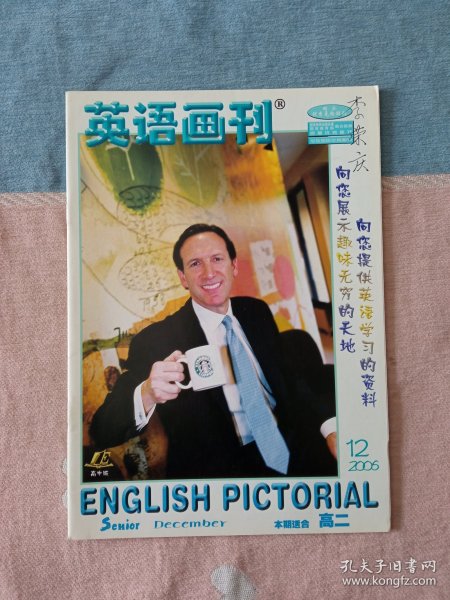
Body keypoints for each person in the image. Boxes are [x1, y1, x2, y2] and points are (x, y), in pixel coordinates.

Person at [90, 224, 336, 478]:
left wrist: (329, 426)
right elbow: (101, 430)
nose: (209, 273)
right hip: (223, 470)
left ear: (233, 266)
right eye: (195, 263)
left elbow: (291, 379)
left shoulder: (256, 311)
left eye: (217, 259)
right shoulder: (157, 340)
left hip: (293, 441)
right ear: (183, 277)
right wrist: (147, 393)